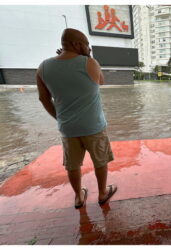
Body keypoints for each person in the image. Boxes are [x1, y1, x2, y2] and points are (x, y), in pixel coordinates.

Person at [36, 28, 117, 209]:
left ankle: (79, 197)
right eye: (86, 44)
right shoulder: (90, 63)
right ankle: (103, 193)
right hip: (94, 126)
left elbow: (43, 98)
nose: (88, 48)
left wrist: (60, 118)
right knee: (100, 160)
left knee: (72, 165)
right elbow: (101, 81)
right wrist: (88, 56)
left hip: (68, 128)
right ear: (77, 44)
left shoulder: (43, 67)